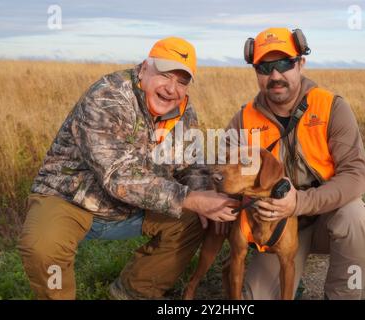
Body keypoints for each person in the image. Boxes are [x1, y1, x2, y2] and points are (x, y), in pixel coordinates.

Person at [18, 37, 238, 300]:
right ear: (144, 69)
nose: (172, 89)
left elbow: (189, 163)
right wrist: (191, 198)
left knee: (193, 220)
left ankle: (133, 293)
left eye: (182, 81)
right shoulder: (108, 96)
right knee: (42, 245)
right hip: (72, 200)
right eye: (165, 76)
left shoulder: (183, 111)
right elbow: (118, 177)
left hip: (132, 209)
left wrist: (205, 195)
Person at [226, 27, 365, 299]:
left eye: (285, 63)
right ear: (256, 72)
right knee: (255, 297)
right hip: (275, 227)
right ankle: (291, 281)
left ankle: (344, 296)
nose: (275, 75)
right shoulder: (243, 119)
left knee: (357, 220)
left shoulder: (331, 106)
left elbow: (356, 176)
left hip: (327, 219)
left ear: (301, 63)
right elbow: (221, 172)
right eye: (265, 67)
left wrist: (298, 203)